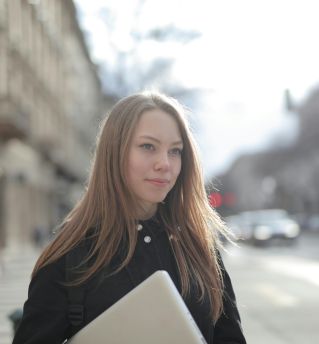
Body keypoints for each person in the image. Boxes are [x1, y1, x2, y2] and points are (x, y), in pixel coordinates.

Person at [12, 92, 246, 343]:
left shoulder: (198, 245)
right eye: (148, 146)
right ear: (115, 152)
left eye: (175, 151)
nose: (165, 163)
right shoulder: (71, 253)